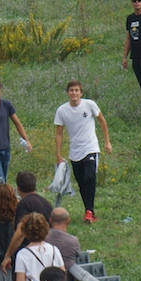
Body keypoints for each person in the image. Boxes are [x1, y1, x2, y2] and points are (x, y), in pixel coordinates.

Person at [53, 80, 112, 223]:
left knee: (90, 177)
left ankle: (89, 211)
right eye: (71, 90)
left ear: (81, 92)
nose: (74, 93)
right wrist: (58, 154)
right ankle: (89, 211)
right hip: (75, 152)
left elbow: (102, 121)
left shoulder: (89, 105)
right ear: (68, 93)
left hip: (90, 148)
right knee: (81, 182)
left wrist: (107, 142)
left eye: (76, 90)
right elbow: (59, 133)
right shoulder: (62, 111)